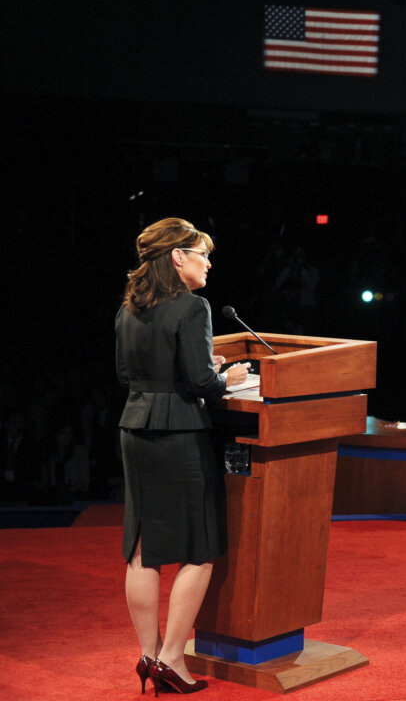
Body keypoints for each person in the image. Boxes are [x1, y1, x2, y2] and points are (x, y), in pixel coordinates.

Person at [115, 217, 249, 695]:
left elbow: (127, 374)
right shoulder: (194, 307)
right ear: (178, 257)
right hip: (180, 433)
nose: (208, 263)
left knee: (144, 550)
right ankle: (173, 657)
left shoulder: (129, 308)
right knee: (200, 548)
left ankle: (148, 654)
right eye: (202, 254)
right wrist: (225, 378)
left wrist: (197, 368)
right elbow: (200, 385)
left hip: (135, 428)